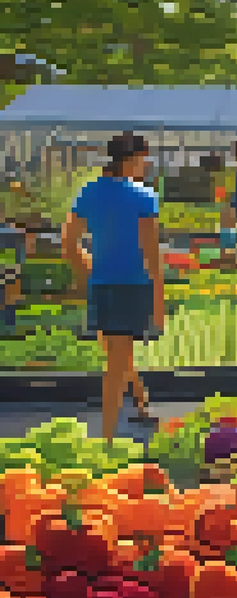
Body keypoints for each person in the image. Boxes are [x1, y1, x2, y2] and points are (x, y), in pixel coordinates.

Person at [62, 132, 163, 442]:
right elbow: (152, 260)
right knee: (117, 363)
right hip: (132, 287)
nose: (147, 165)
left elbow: (69, 245)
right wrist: (159, 306)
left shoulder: (88, 192)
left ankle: (142, 403)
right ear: (131, 159)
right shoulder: (144, 197)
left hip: (102, 285)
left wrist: (89, 271)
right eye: (144, 158)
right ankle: (106, 439)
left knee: (117, 352)